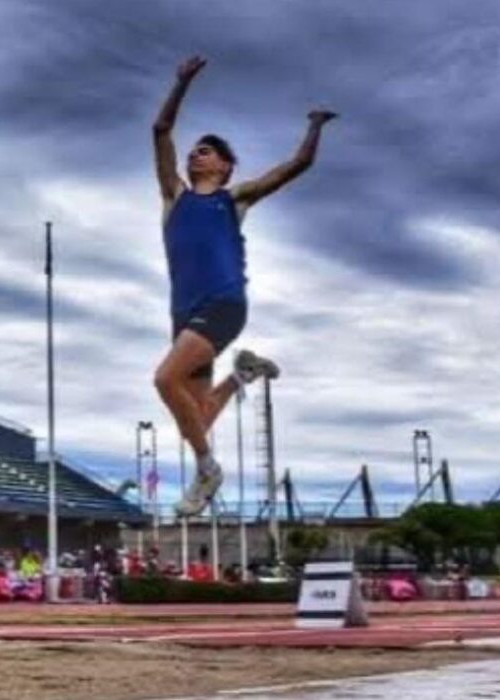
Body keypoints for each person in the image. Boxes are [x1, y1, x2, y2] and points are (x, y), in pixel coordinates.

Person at [152, 55, 337, 516]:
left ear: (227, 167)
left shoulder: (234, 199)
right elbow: (160, 130)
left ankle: (207, 469)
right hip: (183, 312)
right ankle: (243, 373)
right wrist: (181, 84)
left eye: (207, 150)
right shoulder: (174, 196)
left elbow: (298, 164)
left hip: (223, 304)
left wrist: (314, 125)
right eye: (194, 149)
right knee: (197, 417)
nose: (197, 153)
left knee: (164, 378)